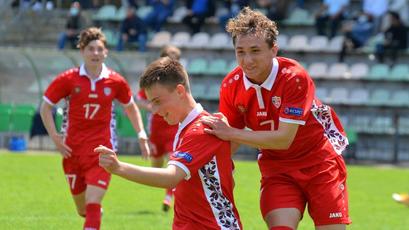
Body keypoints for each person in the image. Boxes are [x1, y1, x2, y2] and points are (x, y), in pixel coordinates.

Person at [201, 7, 351, 230]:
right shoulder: (231, 85)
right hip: (277, 169)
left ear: (274, 50)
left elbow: (284, 139)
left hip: (320, 162)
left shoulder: (294, 77)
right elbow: (227, 141)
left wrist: (231, 133)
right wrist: (203, 168)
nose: (247, 60)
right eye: (240, 52)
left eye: (255, 50)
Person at [95, 56, 242, 229]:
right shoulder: (189, 126)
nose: (155, 111)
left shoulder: (202, 129)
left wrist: (118, 167)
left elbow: (170, 178)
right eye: (152, 104)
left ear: (180, 91)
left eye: (158, 101)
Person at [40, 27, 150, 230]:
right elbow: (45, 106)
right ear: (82, 51)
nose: (96, 53)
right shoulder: (68, 79)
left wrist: (141, 134)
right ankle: (92, 216)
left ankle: (93, 217)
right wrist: (55, 137)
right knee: (83, 209)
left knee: (93, 201)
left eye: (100, 49)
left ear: (106, 52)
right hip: (72, 151)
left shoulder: (116, 81)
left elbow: (131, 107)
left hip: (102, 151)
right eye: (91, 49)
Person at [135, 45, 181, 211]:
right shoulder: (152, 80)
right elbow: (139, 99)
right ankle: (165, 187)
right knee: (156, 164)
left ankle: (169, 197)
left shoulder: (180, 81)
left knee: (173, 162)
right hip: (156, 128)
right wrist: (152, 106)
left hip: (173, 127)